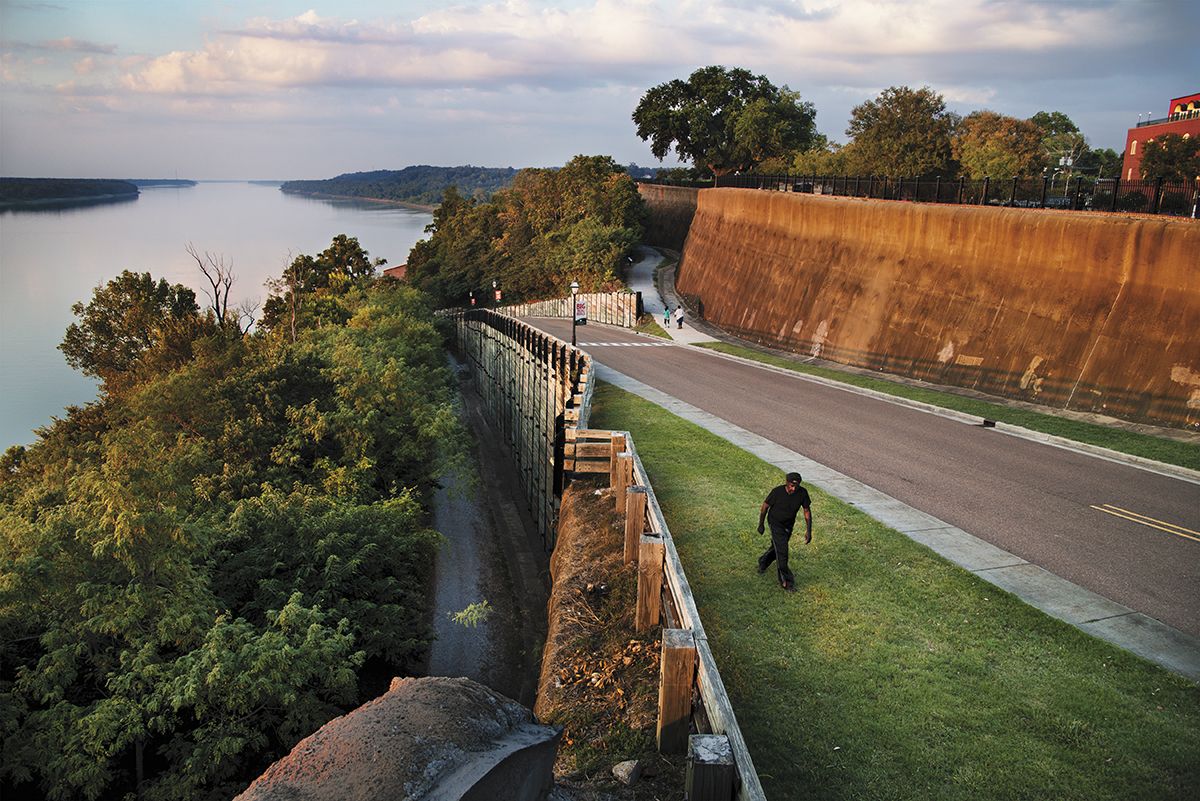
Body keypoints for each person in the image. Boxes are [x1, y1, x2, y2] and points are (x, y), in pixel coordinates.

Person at [756, 472, 812, 592]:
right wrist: (761, 524)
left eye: (796, 486)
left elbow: (807, 511)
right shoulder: (777, 492)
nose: (794, 488)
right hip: (775, 523)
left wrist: (809, 530)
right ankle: (787, 582)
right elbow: (765, 506)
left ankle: (763, 561)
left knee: (777, 547)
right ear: (786, 482)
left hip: (788, 525)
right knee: (782, 552)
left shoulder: (802, 493)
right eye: (791, 485)